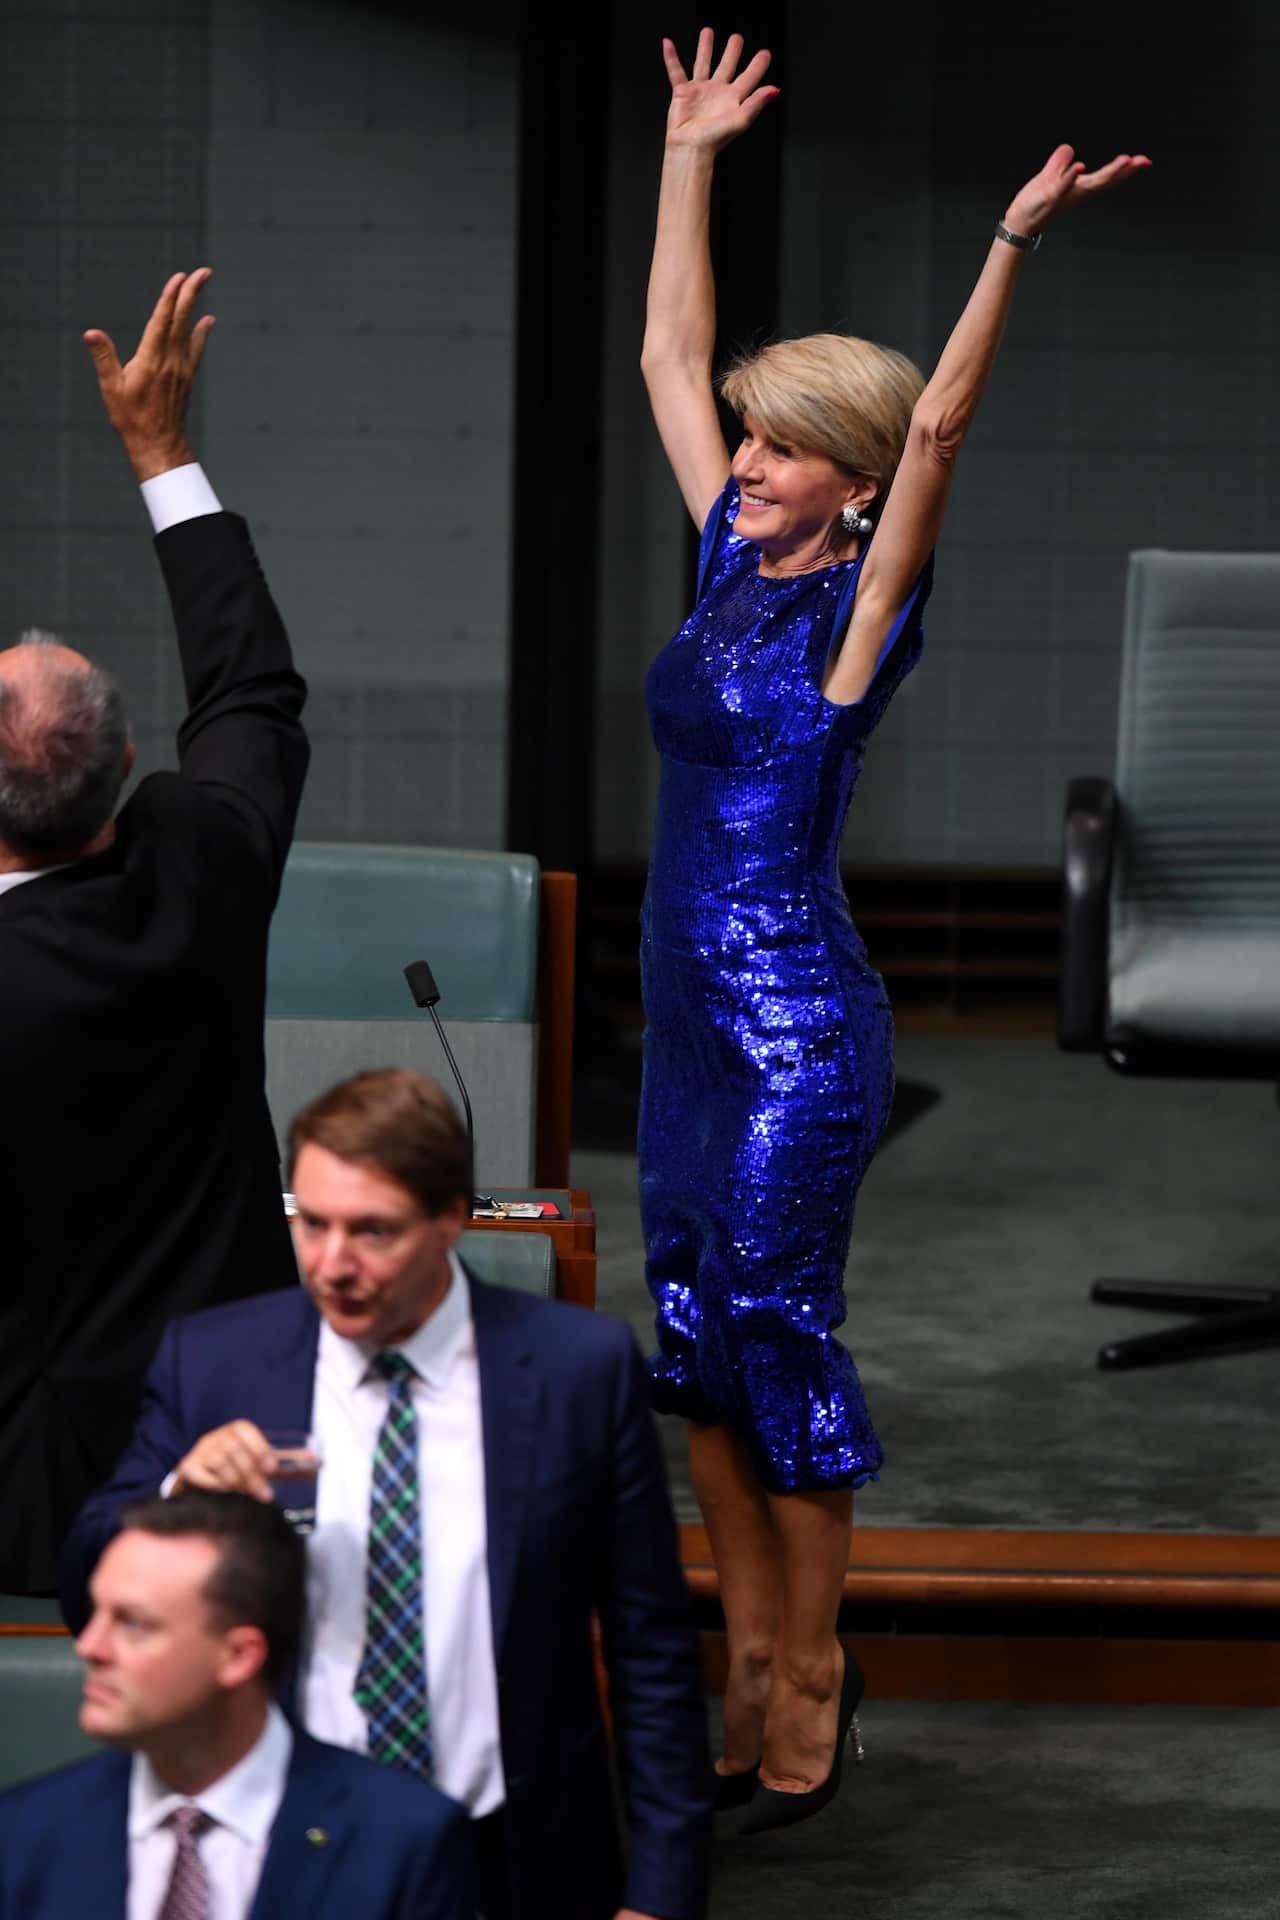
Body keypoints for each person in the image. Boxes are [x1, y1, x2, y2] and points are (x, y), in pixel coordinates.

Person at [637, 28, 1150, 1831]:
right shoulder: (723, 559)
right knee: (687, 1333)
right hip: (682, 1019)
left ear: (851, 484)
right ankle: (745, 1660)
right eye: (752, 442)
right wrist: (692, 149)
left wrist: (1008, 238)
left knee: (774, 1319)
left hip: (792, 1024)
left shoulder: (860, 615)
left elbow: (941, 421)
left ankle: (814, 1676)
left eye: (790, 450)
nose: (753, 461)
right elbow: (667, 351)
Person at [63, 1068, 710, 1920]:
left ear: (451, 1219)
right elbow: (86, 1591)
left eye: (373, 1232)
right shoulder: (217, 1366)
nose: (334, 1265)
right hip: (283, 1850)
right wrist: (182, 1490)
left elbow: (650, 1642)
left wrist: (663, 1892)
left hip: (512, 1856)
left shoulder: (576, 1372)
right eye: (315, 1224)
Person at [0, 270, 308, 1593]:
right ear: (128, 760)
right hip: (234, 1432)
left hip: (30, 1469)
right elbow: (250, 684)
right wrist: (163, 455)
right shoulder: (203, 864)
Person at [0, 1490, 472, 1918]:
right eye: (96, 1611)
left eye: (134, 1624)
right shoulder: (26, 1832)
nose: (90, 1647)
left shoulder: (399, 1841)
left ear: (238, 1656)